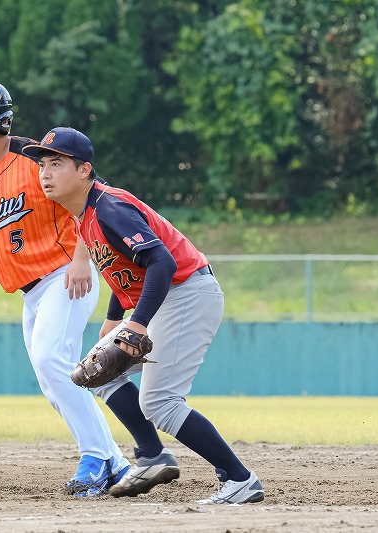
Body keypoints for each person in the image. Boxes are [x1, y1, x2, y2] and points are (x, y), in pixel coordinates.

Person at [22, 126, 265, 505]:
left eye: (56, 163)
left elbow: (161, 262)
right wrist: (113, 319)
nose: (45, 173)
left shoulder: (109, 208)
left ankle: (239, 479)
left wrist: (137, 323)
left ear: (84, 170)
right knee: (97, 372)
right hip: (170, 296)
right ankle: (152, 456)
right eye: (42, 165)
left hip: (187, 293)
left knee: (160, 403)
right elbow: (125, 270)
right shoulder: (85, 214)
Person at [0, 81, 131, 497]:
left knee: (53, 360)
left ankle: (95, 459)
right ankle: (115, 463)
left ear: (2, 120)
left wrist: (83, 258)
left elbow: (91, 198)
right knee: (53, 383)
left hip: (64, 275)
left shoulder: (36, 157)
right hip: (30, 292)